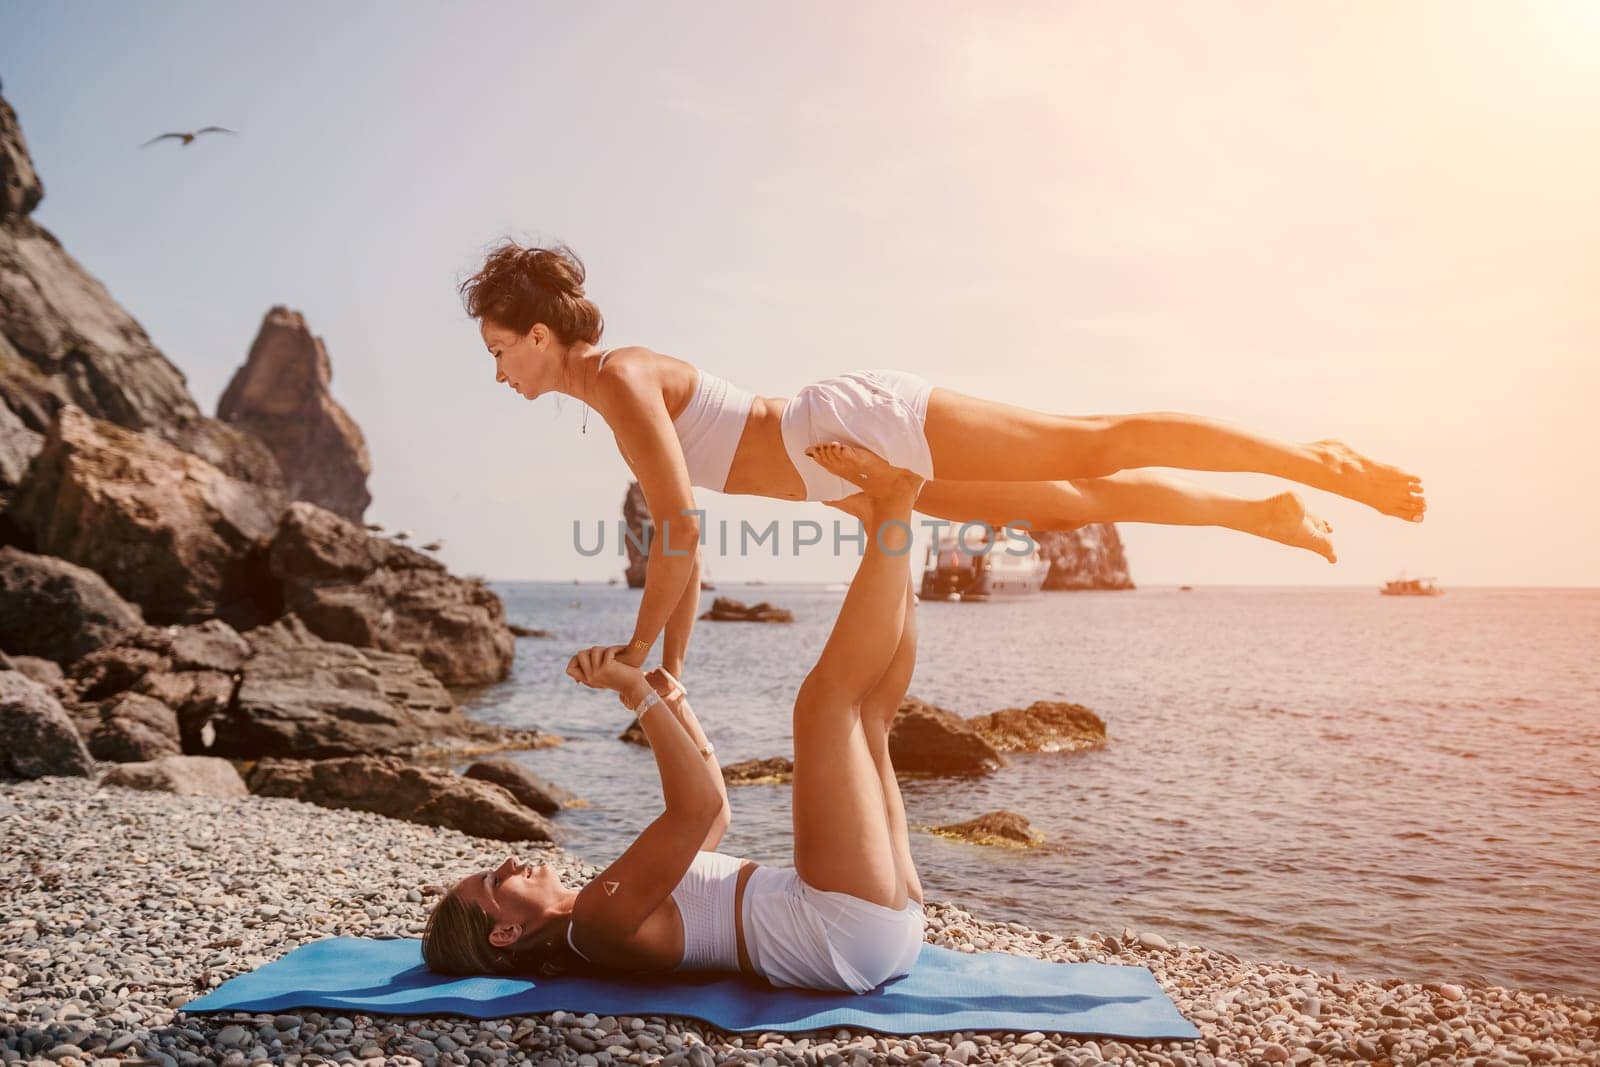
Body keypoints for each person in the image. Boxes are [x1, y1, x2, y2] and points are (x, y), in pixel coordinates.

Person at [462, 241, 1424, 677]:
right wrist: (667, 672)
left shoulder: (624, 382)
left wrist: (637, 654)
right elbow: (688, 551)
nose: (499, 373)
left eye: (501, 350)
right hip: (841, 469)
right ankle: (1259, 514)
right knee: (1064, 506)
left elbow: (678, 534)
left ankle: (1315, 458)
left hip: (849, 428)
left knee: (1095, 438)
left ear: (542, 334)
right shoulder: (612, 395)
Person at [422, 443, 940, 993]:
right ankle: (895, 512)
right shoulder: (595, 924)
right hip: (838, 927)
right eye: (492, 882)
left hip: (877, 926)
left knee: (873, 721)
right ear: (505, 933)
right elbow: (699, 807)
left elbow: (713, 819)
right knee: (825, 707)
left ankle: (889, 523)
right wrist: (634, 693)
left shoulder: (600, 905)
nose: (505, 863)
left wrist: (673, 704)